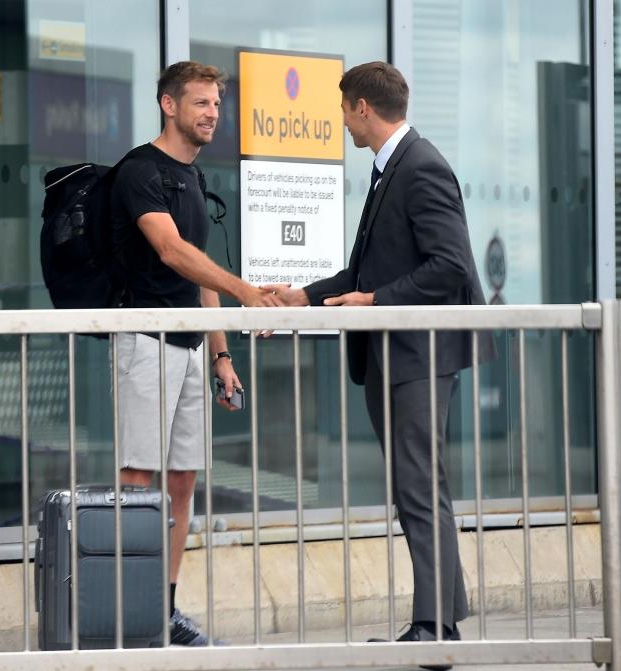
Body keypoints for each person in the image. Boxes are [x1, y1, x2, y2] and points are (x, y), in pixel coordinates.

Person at [267, 61, 494, 665]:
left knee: (420, 487)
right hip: (396, 353)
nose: (342, 121)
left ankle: (433, 626)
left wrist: (374, 301)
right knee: (418, 485)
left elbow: (450, 267)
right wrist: (308, 295)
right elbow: (369, 270)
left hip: (417, 354)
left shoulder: (421, 167)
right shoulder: (389, 168)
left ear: (363, 108)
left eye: (344, 110)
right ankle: (441, 620)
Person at [110, 61, 283, 646]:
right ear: (168, 104)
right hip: (145, 341)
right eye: (202, 103)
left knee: (182, 479)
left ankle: (163, 608)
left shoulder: (193, 177)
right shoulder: (139, 171)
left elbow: (200, 275)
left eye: (217, 104)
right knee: (139, 477)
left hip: (190, 346)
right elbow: (172, 252)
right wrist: (245, 292)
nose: (213, 114)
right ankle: (127, 613)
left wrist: (221, 356)